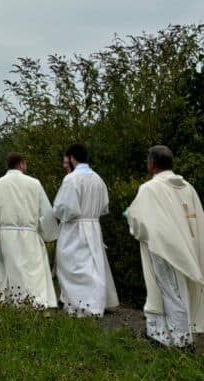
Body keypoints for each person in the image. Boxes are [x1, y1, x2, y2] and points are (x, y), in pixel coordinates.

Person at [126, 145, 204, 348]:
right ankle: (160, 335)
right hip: (187, 247)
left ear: (151, 164)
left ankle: (181, 342)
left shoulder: (149, 189)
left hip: (165, 249)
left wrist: (132, 224)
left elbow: (139, 222)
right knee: (176, 292)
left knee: (170, 292)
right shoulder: (188, 187)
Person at [0, 153, 59, 307]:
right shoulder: (34, 183)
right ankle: (36, 302)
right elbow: (46, 212)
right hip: (30, 233)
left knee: (11, 271)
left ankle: (13, 302)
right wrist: (47, 234)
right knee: (33, 271)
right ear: (22, 164)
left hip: (6, 236)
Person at [53, 144, 118, 317]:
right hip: (93, 226)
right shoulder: (97, 178)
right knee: (93, 266)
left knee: (75, 266)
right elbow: (104, 206)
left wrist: (58, 213)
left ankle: (81, 305)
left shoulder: (72, 179)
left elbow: (65, 208)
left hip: (75, 227)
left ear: (72, 158)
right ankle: (95, 302)